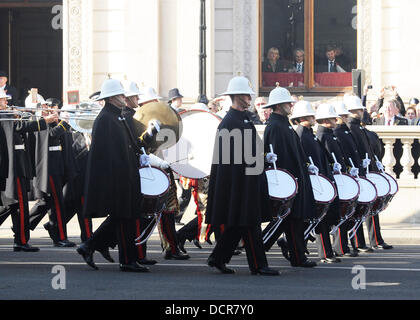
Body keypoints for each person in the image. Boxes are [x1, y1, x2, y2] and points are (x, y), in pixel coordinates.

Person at [76, 78, 156, 272]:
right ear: (112, 98)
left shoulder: (117, 117)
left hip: (127, 175)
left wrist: (148, 139)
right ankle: (126, 260)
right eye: (121, 95)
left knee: (125, 218)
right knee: (124, 218)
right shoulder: (105, 119)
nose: (124, 97)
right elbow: (106, 155)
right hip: (117, 178)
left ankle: (90, 246)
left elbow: (132, 145)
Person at [206, 75, 279, 276]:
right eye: (247, 95)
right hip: (239, 182)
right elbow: (229, 161)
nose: (250, 98)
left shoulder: (244, 118)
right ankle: (258, 265)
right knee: (249, 223)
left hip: (249, 179)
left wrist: (263, 157)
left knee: (238, 224)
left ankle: (217, 258)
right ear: (237, 96)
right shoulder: (229, 122)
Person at [261, 88, 317, 268]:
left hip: (295, 180)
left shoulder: (283, 124)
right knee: (288, 222)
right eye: (287, 103)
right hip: (288, 183)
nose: (291, 105)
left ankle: (297, 257)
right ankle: (259, 249)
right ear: (278, 105)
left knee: (294, 223)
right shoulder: (276, 126)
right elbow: (278, 157)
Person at [0, 89, 57, 251]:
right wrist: (43, 121)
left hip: (16, 165)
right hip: (13, 167)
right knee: (20, 205)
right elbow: (19, 127)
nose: (7, 103)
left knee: (12, 204)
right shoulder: (4, 117)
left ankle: (21, 239)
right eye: (4, 100)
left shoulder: (7, 115)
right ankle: (21, 240)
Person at [293, 102, 341, 264]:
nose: (315, 118)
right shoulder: (301, 134)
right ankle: (325, 253)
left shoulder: (309, 134)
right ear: (303, 117)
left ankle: (322, 252)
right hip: (313, 181)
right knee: (318, 219)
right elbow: (301, 158)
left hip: (320, 179)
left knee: (321, 219)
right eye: (311, 115)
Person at [344, 94, 393, 251]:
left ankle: (375, 239)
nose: (362, 111)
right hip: (359, 173)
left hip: (368, 171)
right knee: (359, 209)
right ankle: (359, 242)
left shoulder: (358, 127)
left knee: (371, 208)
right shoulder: (352, 128)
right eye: (359, 109)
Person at [29, 98, 78, 247]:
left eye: (55, 107)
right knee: (57, 204)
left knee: (49, 202)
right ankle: (61, 238)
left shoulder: (52, 121)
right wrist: (64, 123)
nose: (54, 109)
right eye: (51, 106)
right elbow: (51, 135)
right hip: (49, 169)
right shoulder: (41, 121)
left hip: (58, 167)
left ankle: (22, 226)